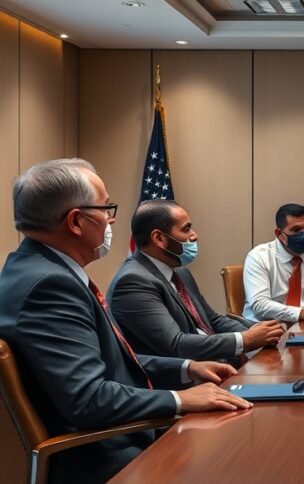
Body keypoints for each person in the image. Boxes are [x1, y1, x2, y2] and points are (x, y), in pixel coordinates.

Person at [0, 159, 251, 483]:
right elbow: (89, 399)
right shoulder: (49, 286)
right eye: (105, 208)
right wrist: (180, 399)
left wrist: (186, 368)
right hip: (106, 455)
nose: (112, 219)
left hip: (117, 435)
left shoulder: (37, 268)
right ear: (75, 221)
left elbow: (107, 360)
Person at [108, 200, 284, 363]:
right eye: (186, 229)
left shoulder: (179, 271)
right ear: (159, 238)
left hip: (217, 364)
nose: (194, 236)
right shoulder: (133, 282)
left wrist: (262, 330)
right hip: (184, 379)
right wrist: (245, 340)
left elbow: (212, 320)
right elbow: (176, 345)